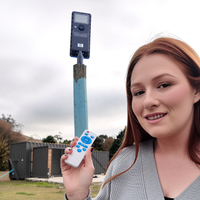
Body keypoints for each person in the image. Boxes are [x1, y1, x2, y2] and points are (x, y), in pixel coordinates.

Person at [60, 36, 200, 200]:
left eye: (163, 85)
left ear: (196, 90)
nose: (148, 101)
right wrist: (77, 194)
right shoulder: (123, 163)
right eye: (138, 92)